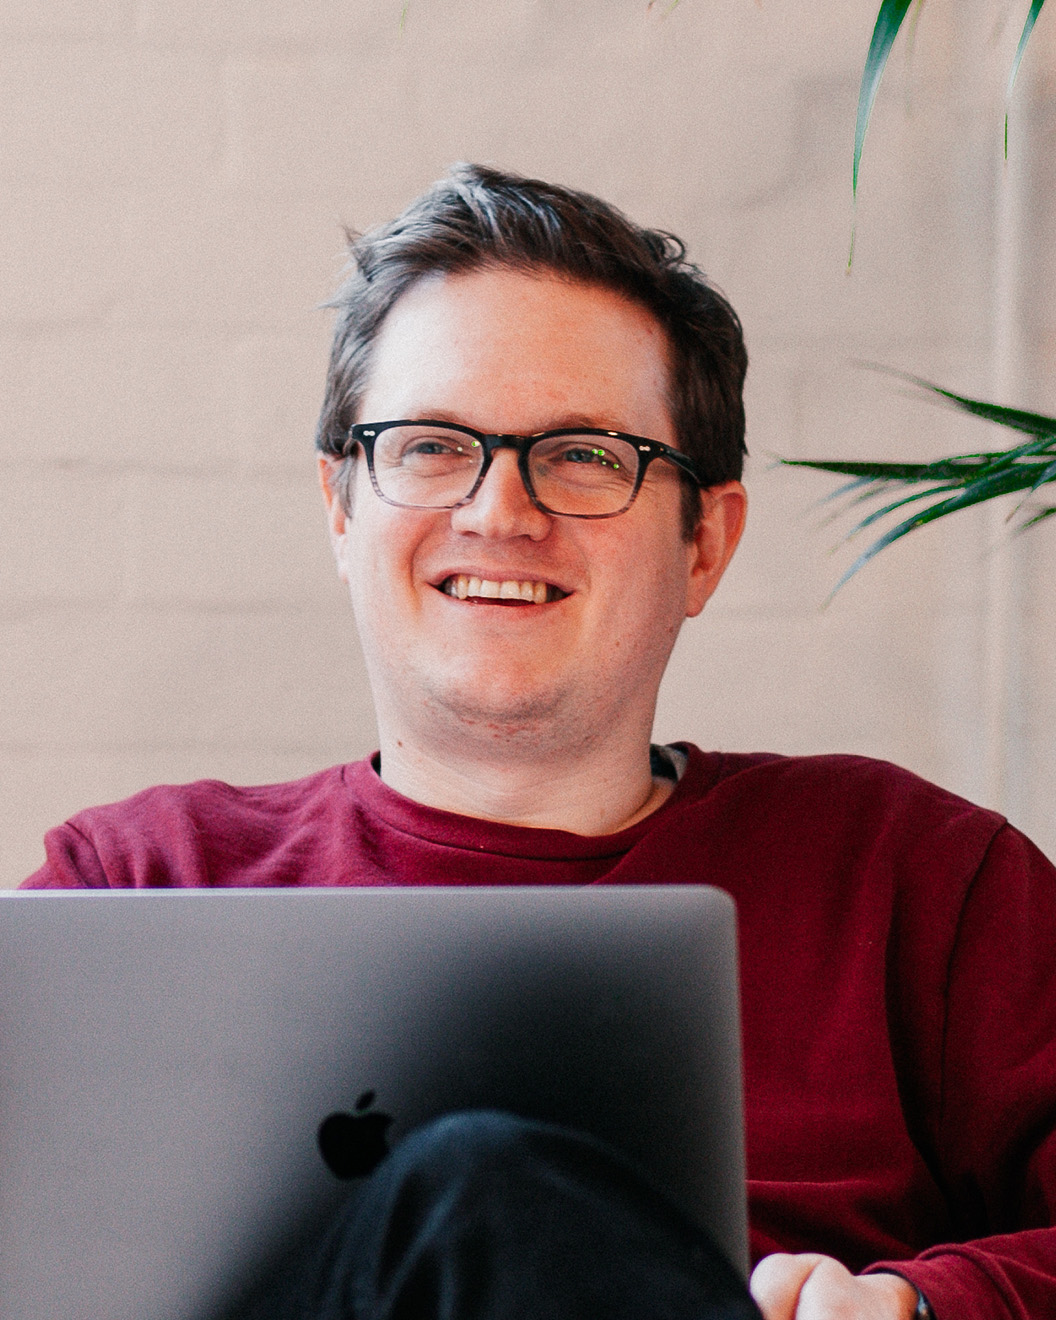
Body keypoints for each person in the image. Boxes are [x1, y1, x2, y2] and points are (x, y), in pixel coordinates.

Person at [21, 164, 1056, 1320]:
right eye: (430, 445)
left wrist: (918, 1306)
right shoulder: (136, 886)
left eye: (584, 455)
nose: (500, 512)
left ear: (705, 543)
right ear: (340, 507)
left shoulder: (916, 882)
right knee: (477, 1188)